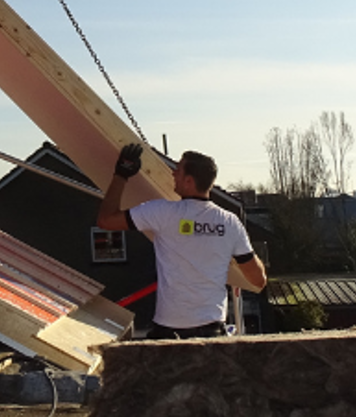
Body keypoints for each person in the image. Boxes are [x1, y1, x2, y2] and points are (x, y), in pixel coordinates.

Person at [97, 143, 266, 339]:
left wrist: (121, 175)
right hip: (212, 333)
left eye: (177, 170)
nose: (172, 174)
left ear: (188, 181)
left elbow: (106, 220)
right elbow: (258, 280)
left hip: (169, 332)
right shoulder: (229, 223)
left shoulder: (161, 213)